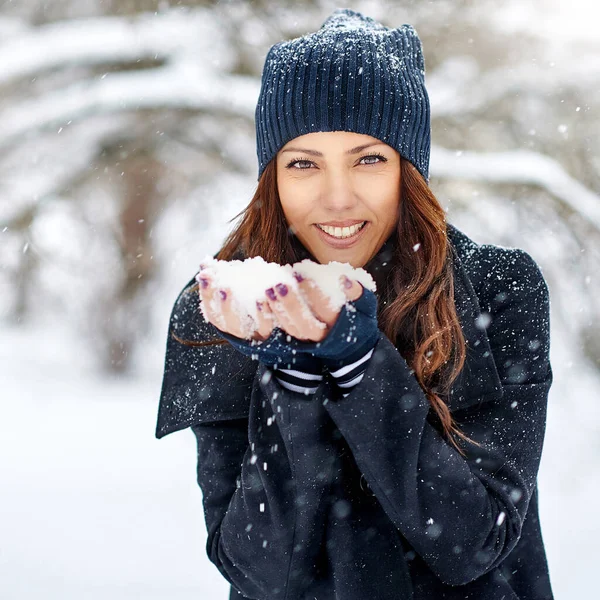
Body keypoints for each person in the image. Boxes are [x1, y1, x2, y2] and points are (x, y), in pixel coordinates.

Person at [156, 8, 554, 600]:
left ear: (407, 169)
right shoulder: (221, 312)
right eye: (303, 164)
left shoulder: (498, 289)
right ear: (273, 176)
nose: (337, 198)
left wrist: (360, 367)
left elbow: (475, 541)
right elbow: (254, 567)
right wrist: (290, 381)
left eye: (368, 159)